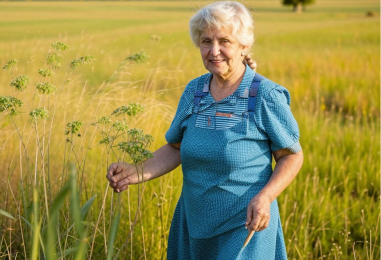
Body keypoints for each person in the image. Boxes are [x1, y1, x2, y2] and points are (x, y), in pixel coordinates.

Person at [107, 1, 303, 259]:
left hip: (245, 225)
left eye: (225, 41)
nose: (214, 51)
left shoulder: (264, 95)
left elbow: (291, 155)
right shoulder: (194, 91)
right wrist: (135, 171)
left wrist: (266, 197)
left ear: (244, 46)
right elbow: (176, 148)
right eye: (206, 41)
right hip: (194, 223)